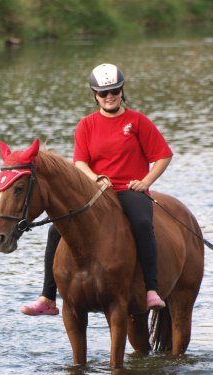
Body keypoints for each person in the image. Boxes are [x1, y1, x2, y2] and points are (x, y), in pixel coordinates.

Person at [21, 63, 172, 316]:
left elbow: (164, 156)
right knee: (55, 229)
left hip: (129, 190)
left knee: (143, 223)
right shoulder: (86, 125)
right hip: (96, 193)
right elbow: (80, 161)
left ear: (122, 91)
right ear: (95, 95)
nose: (109, 96)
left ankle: (151, 290)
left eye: (114, 91)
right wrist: (95, 178)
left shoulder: (138, 122)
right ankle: (48, 297)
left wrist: (146, 182)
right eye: (103, 93)